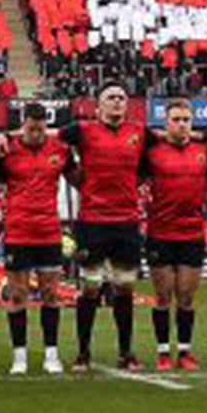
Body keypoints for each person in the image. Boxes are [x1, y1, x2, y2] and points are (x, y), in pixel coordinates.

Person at [60, 83, 149, 373]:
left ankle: (126, 352)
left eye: (122, 98)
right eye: (111, 98)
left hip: (126, 222)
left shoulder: (139, 133)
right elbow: (50, 141)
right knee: (90, 288)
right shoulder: (83, 130)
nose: (117, 102)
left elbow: (158, 155)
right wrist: (78, 180)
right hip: (93, 221)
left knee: (124, 288)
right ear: (98, 106)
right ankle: (83, 352)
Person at [0, 102, 71, 375]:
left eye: (41, 129)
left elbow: (78, 176)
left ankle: (51, 354)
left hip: (49, 231)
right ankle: (20, 356)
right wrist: (0, 137)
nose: (36, 133)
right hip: (18, 230)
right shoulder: (7, 149)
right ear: (23, 125)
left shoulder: (60, 150)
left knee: (51, 294)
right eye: (32, 128)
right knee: (17, 295)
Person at [141, 99, 207, 372]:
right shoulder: (153, 150)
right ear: (166, 123)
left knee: (186, 296)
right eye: (176, 119)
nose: (182, 124)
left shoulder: (204, 149)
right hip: (160, 232)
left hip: (192, 233)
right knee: (162, 296)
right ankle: (162, 353)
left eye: (186, 119)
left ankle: (184, 351)